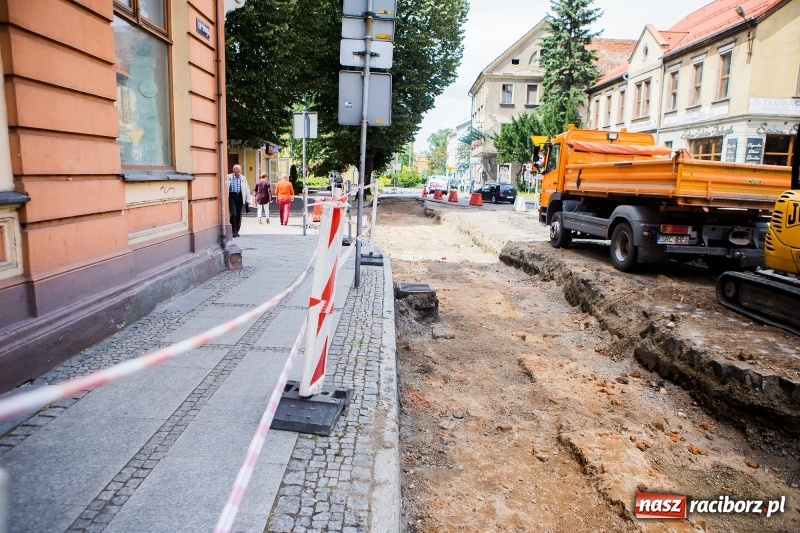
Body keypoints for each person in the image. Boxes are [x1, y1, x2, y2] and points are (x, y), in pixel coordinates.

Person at [226, 164, 250, 237]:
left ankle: (236, 230)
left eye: (239, 169)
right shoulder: (228, 177)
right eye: (237, 169)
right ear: (233, 170)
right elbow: (225, 186)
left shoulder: (243, 178)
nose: (239, 171)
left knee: (239, 215)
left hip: (240, 196)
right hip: (231, 196)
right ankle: (232, 230)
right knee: (233, 213)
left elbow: (247, 189)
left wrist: (247, 199)